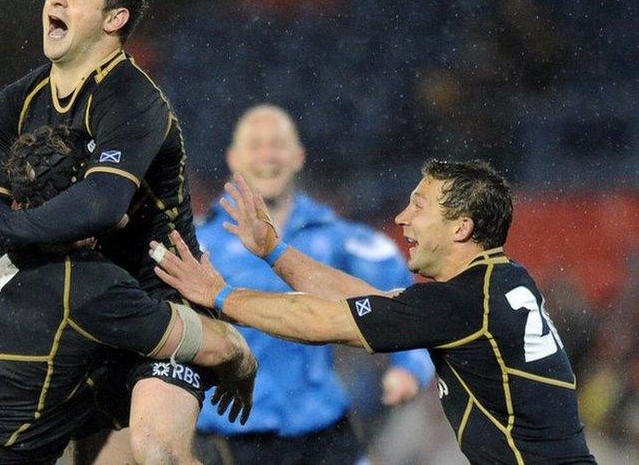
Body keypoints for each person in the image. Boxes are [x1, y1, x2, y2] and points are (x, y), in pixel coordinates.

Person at [0, 0, 216, 462]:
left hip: (158, 297)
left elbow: (99, 206)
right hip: (69, 301)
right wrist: (8, 223)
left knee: (156, 452)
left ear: (115, 18)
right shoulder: (15, 103)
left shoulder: (134, 100)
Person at [152, 161, 596, 463]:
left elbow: (321, 321)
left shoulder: (461, 302)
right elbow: (361, 298)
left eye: (419, 207)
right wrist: (274, 251)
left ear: (461, 227)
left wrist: (220, 295)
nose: (402, 218)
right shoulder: (501, 280)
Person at [0, 126, 256, 464]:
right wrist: (242, 359)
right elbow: (218, 346)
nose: (117, 189)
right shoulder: (85, 284)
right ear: (79, 199)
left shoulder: (11, 252)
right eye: (104, 183)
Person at [192, 105, 433, 465]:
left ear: (298, 156)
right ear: (233, 158)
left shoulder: (337, 237)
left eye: (277, 144)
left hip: (324, 429)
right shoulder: (197, 242)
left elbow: (406, 300)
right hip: (232, 435)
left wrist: (408, 367)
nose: (267, 156)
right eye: (255, 145)